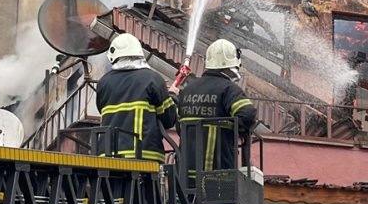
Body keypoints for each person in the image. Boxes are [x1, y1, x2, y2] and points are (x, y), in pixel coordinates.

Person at [177, 39, 257, 173]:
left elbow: (178, 125)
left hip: (185, 173)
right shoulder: (228, 89)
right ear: (231, 64)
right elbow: (248, 114)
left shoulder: (187, 90)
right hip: (217, 173)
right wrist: (236, 129)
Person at [95, 33, 177, 163]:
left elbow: (103, 111)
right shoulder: (153, 79)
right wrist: (172, 95)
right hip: (145, 156)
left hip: (107, 156)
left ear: (113, 57)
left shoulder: (103, 83)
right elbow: (169, 119)